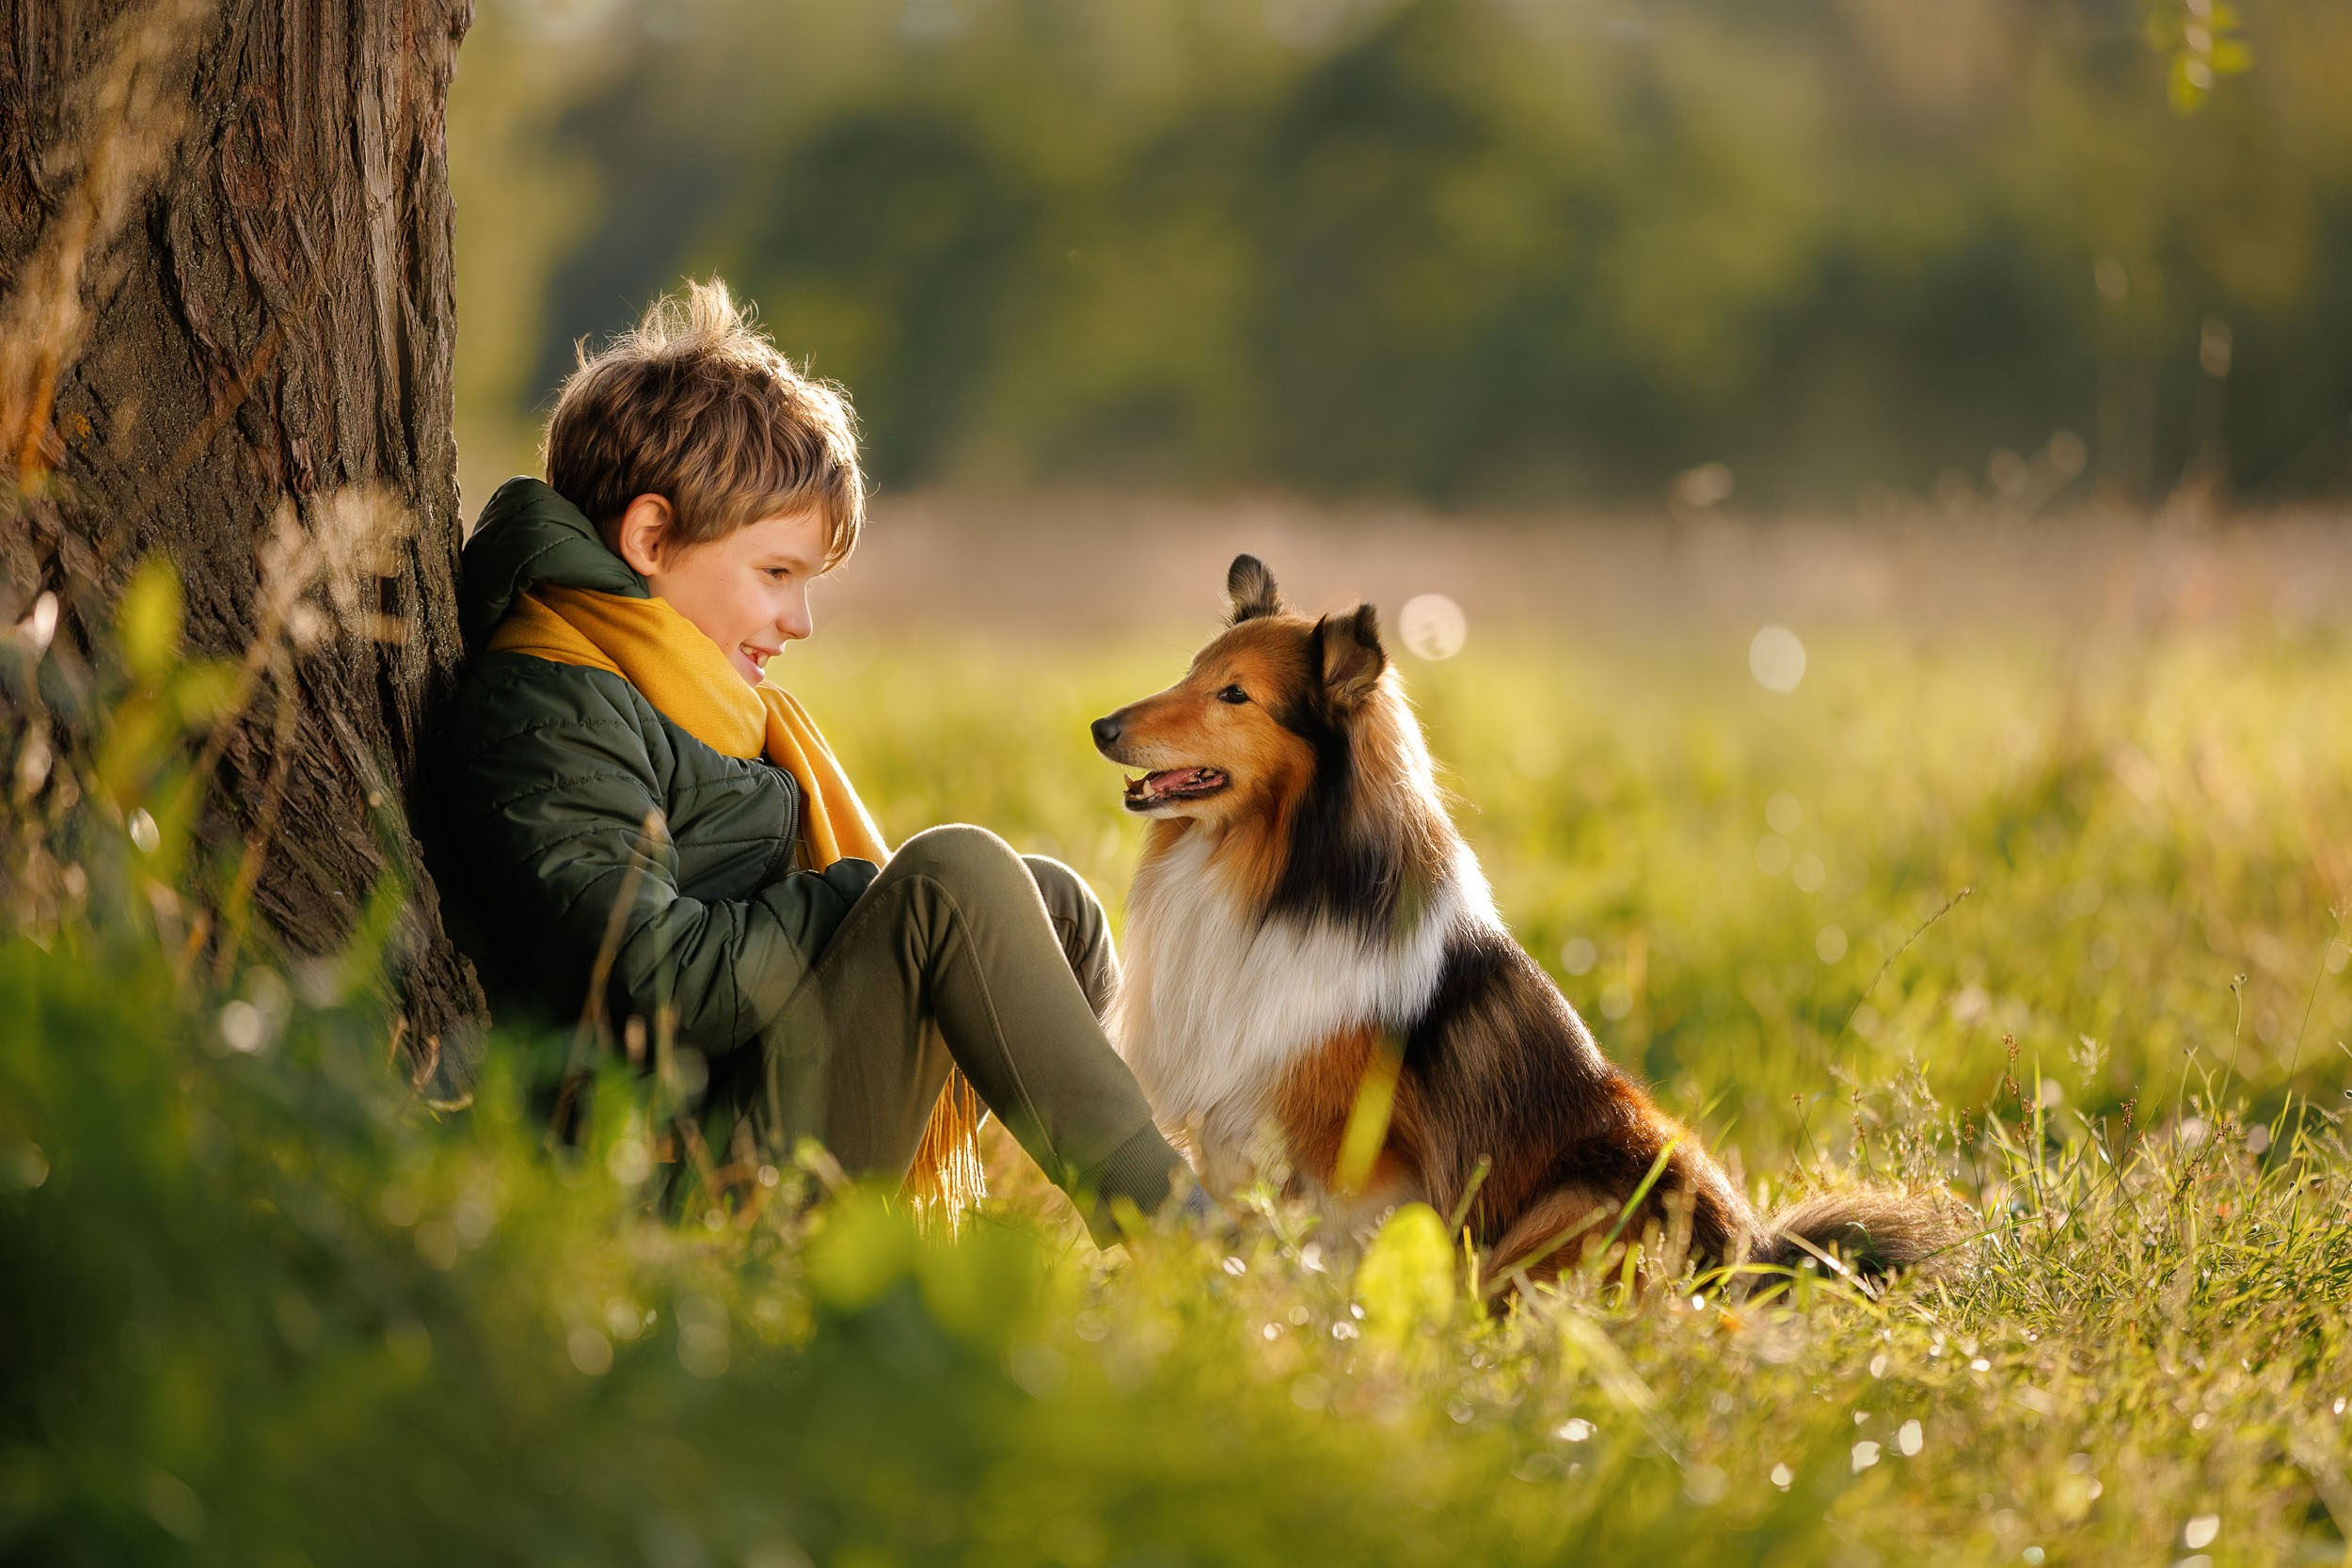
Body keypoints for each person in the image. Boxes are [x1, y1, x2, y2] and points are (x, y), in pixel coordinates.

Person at [429, 277, 1191, 1243]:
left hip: (744, 1104)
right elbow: (657, 986)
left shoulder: (676, 690)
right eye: (776, 574)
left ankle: (1004, 1246)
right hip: (674, 1185)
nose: (800, 620)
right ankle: (1183, 1240)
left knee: (1047, 907)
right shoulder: (549, 701)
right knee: (951, 876)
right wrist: (850, 897)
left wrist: (860, 903)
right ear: (652, 536)